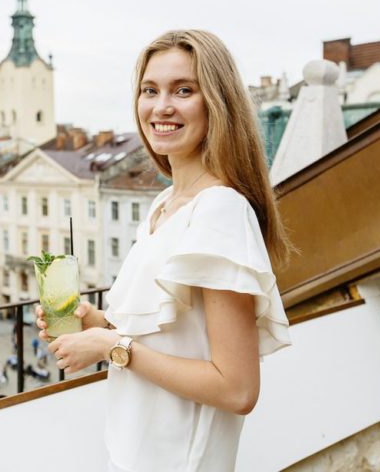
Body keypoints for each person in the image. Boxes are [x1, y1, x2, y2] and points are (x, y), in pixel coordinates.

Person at [36, 30, 293, 472]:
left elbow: (237, 389)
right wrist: (96, 322)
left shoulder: (220, 211)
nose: (161, 106)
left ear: (217, 103)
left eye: (184, 90)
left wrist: (110, 344)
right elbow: (169, 336)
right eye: (149, 90)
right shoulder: (163, 208)